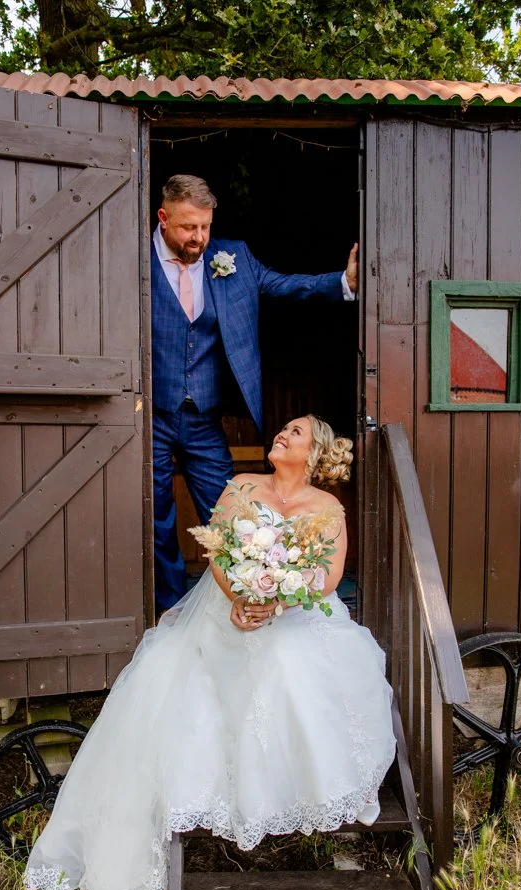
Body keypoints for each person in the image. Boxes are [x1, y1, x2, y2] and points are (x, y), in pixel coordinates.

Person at [24, 415, 396, 890]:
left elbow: (327, 575)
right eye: (283, 429)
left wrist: (275, 603)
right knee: (173, 667)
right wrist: (240, 599)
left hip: (293, 615)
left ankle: (296, 786)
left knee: (288, 662)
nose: (282, 435)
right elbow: (218, 549)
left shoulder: (327, 507)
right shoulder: (242, 486)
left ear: (313, 453)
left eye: (295, 433)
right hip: (227, 610)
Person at [152, 174, 359, 614]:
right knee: (156, 518)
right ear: (163, 218)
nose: (200, 237)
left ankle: (248, 595)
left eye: (206, 226)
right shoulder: (132, 255)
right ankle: (172, 611)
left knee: (235, 514)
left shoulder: (234, 258)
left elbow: (285, 286)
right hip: (148, 412)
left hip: (204, 417)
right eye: (189, 227)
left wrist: (343, 281)